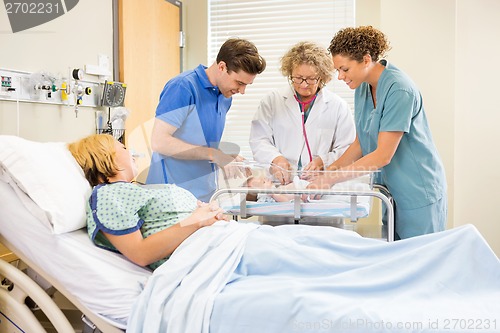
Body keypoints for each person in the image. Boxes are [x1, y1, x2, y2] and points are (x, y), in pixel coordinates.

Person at [307, 26, 447, 239]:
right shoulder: (363, 86)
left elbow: (383, 155)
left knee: (421, 260)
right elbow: (361, 143)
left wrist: (331, 180)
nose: (340, 76)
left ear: (365, 60)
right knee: (396, 254)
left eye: (344, 69)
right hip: (393, 191)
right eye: (338, 70)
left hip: (418, 191)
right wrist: (329, 172)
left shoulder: (399, 89)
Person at [68, 134, 229, 270]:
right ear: (107, 157)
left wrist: (209, 213)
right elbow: (141, 253)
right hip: (209, 256)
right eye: (123, 148)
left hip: (222, 242)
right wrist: (197, 220)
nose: (130, 151)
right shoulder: (108, 195)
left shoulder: (136, 190)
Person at [147, 38, 266, 202]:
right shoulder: (183, 87)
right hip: (170, 196)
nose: (242, 91)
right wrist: (215, 155)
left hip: (204, 195)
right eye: (239, 83)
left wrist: (225, 156)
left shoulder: (225, 97)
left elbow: (198, 144)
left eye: (247, 85)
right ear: (222, 67)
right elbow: (159, 142)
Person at [249, 41, 355, 185]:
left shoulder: (338, 107)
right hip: (279, 184)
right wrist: (275, 158)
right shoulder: (272, 101)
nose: (304, 85)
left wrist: (323, 161)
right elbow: (259, 139)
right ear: (289, 73)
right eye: (298, 78)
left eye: (311, 79)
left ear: (322, 77)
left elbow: (348, 148)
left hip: (319, 184)